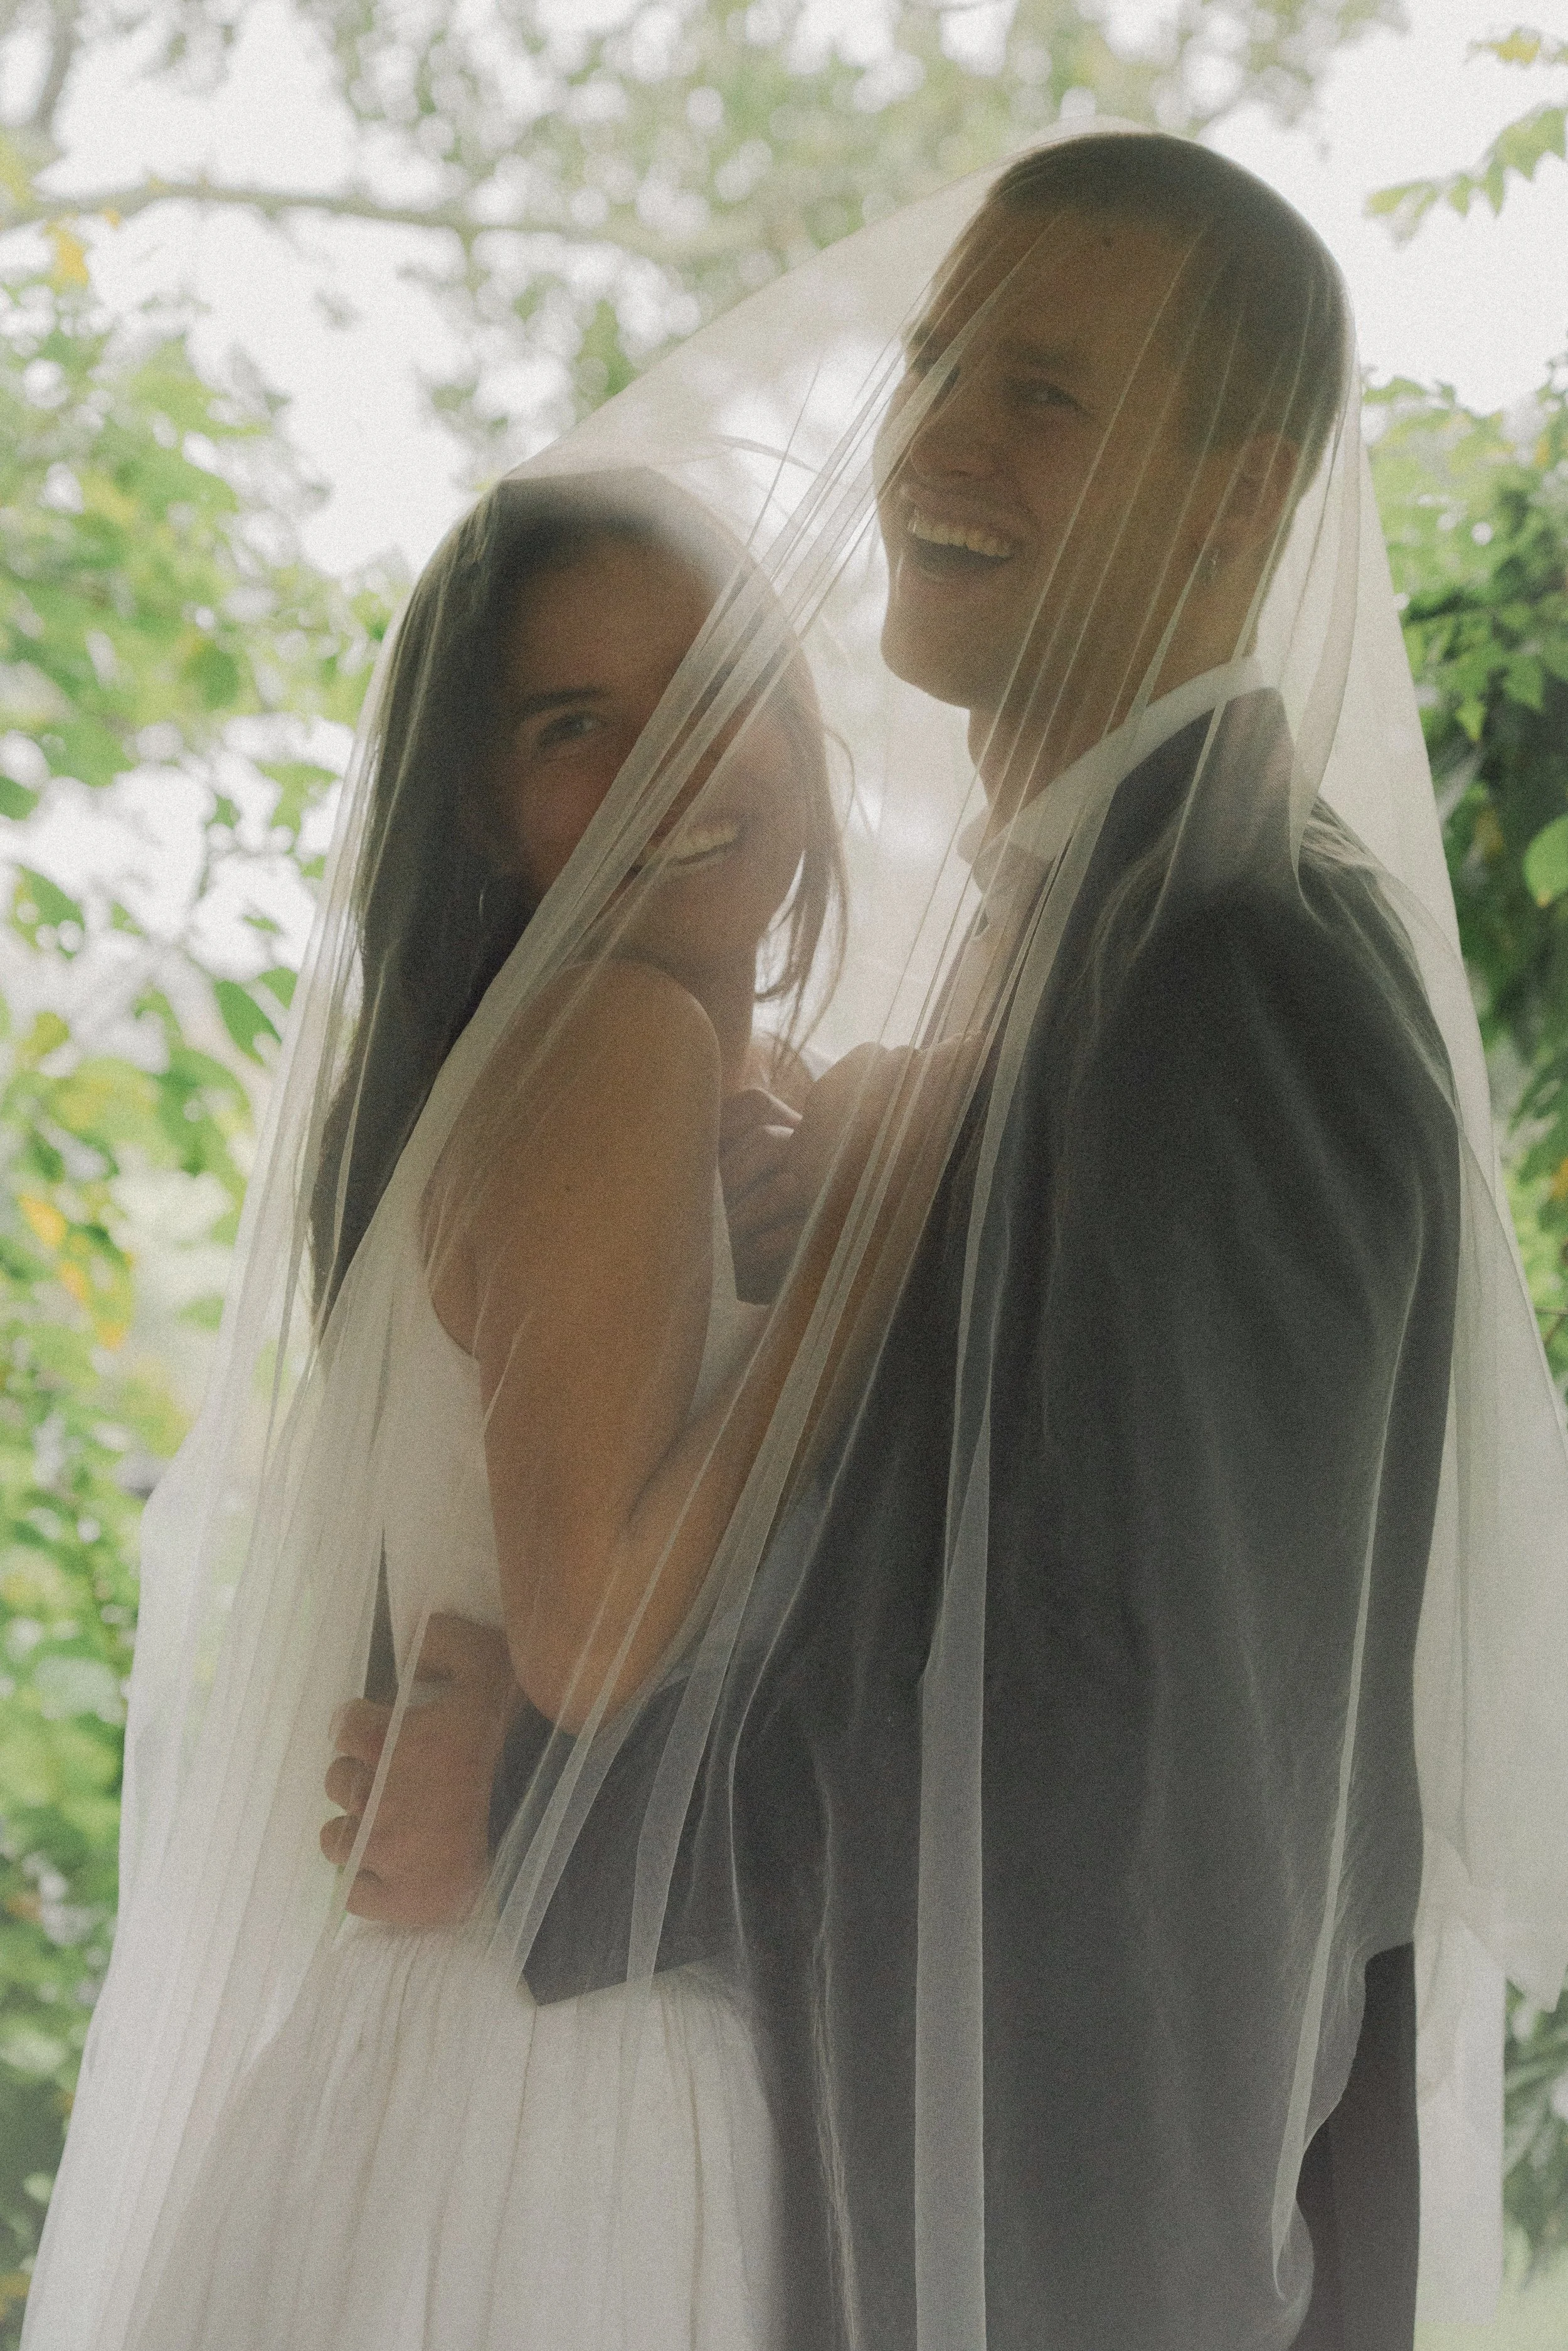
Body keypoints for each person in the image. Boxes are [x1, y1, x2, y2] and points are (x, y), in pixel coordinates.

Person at [31, 126, 1568, 2351]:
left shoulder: (1229, 966)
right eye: (939, 358)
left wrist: (556, 1802)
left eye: (1042, 390)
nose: (935, 434)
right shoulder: (1049, 958)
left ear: (1237, 499)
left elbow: (1154, 1723)